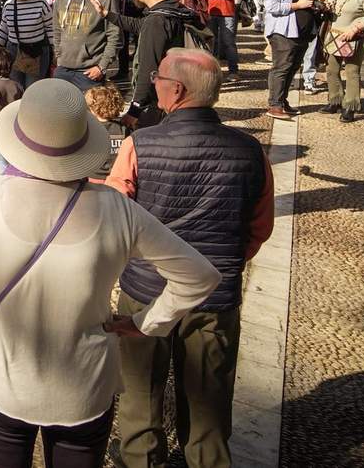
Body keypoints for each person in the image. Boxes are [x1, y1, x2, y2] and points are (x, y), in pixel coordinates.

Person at [0, 80, 220, 468]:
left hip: (2, 382)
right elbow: (199, 275)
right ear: (81, 144)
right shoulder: (117, 210)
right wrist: (147, 322)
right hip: (85, 386)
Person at [107, 50, 273, 468]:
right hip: (214, 298)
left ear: (175, 90)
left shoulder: (138, 144)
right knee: (208, 398)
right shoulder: (251, 151)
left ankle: (140, 457)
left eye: (156, 77)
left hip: (146, 289)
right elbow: (259, 227)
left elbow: (114, 217)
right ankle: (206, 459)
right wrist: (223, 263)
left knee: (140, 390)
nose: (153, 83)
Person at [91, 0, 201, 129]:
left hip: (159, 101)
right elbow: (139, 25)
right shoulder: (171, 8)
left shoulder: (157, 21)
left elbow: (148, 70)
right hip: (178, 91)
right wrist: (106, 14)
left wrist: (134, 111)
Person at [260, 0, 318, 120]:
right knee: (281, 68)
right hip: (283, 33)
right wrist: (296, 6)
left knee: (292, 68)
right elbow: (272, 7)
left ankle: (282, 101)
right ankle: (274, 105)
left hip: (301, 33)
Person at [50, 0, 120, 93]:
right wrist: (59, 56)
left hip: (89, 72)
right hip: (63, 69)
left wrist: (102, 67)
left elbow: (115, 37)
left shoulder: (105, 1)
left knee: (92, 112)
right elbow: (56, 31)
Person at [0, 0, 55, 89]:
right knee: (16, 87)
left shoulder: (41, 4)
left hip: (36, 51)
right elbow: (3, 28)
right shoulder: (9, 5)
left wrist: (55, 50)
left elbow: (51, 29)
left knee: (32, 88)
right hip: (14, 51)